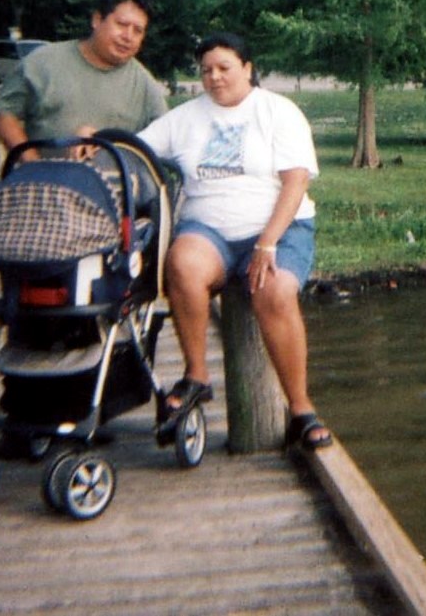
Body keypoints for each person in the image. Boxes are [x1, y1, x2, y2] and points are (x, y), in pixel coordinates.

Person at [136, 31, 332, 450]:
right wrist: (94, 142)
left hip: (279, 228)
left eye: (224, 67)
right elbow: (136, 150)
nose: (214, 77)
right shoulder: (186, 117)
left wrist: (266, 243)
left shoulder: (279, 111)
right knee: (182, 264)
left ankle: (300, 409)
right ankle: (196, 376)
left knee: (275, 291)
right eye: (206, 70)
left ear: (247, 68)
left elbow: (295, 182)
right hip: (209, 231)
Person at [0, 0, 169, 161]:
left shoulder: (144, 84)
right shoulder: (43, 62)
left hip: (113, 183)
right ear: (97, 20)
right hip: (43, 181)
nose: (128, 37)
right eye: (122, 24)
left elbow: (167, 138)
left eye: (138, 31)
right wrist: (32, 163)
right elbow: (4, 114)